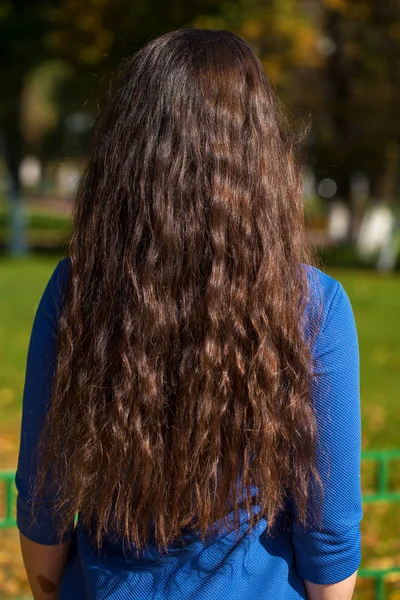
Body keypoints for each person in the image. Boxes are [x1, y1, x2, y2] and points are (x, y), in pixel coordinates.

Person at [15, 28, 363, 600]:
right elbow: (328, 536)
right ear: (261, 157)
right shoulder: (316, 308)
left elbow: (42, 503)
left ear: (129, 150)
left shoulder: (76, 291)